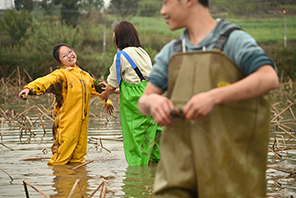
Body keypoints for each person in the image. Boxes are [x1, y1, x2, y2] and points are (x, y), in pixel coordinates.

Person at [138, 0, 279, 197]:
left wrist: (213, 97)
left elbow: (268, 77)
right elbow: (143, 101)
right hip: (177, 172)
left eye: (166, 2)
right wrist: (154, 102)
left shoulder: (233, 40)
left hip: (229, 174)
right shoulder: (172, 51)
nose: (162, 11)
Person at [19, 43, 114, 165]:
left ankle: (77, 182)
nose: (69, 56)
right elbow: (46, 80)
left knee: (78, 159)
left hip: (82, 125)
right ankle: (58, 181)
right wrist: (29, 89)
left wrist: (107, 101)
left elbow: (98, 89)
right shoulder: (61, 75)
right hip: (66, 125)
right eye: (64, 55)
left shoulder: (85, 76)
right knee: (60, 159)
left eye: (70, 51)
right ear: (60, 62)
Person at [99, 21, 162, 166]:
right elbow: (138, 83)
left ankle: (138, 178)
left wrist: (104, 95)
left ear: (119, 39)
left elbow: (112, 83)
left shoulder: (121, 55)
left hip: (136, 102)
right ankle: (154, 172)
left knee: (136, 137)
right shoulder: (143, 52)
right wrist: (113, 90)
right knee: (152, 134)